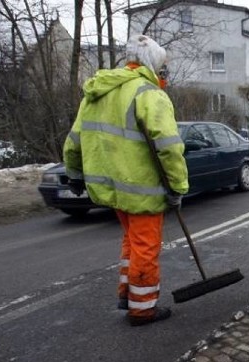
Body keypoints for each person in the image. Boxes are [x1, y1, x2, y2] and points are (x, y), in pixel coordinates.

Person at [63, 34, 188, 326]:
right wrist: (178, 187)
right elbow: (169, 147)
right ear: (152, 65)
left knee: (131, 242)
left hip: (111, 185)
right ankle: (142, 308)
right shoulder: (149, 94)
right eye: (162, 68)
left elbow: (74, 139)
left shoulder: (98, 92)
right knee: (145, 246)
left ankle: (126, 293)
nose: (164, 74)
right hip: (141, 188)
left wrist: (75, 173)